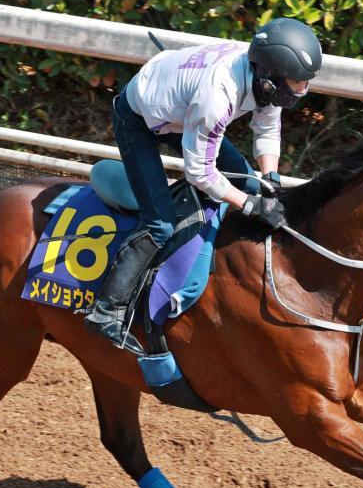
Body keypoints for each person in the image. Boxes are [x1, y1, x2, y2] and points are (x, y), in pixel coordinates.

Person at [84, 17, 323, 351]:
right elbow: (200, 172)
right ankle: (107, 310)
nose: (300, 90)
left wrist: (269, 180)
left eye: (304, 82)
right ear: (269, 76)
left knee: (251, 183)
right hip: (140, 119)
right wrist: (249, 204)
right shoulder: (219, 95)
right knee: (161, 224)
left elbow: (267, 128)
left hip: (182, 107)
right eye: (296, 81)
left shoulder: (261, 72)